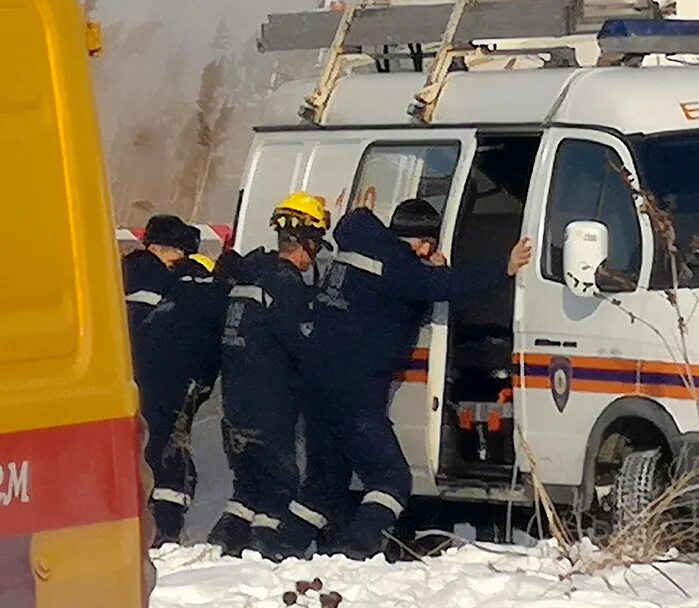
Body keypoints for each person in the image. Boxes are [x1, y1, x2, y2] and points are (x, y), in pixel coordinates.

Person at [279, 200, 530, 560]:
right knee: (391, 479)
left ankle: (277, 547)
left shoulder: (359, 238)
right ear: (421, 242)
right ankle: (358, 549)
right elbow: (448, 285)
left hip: (314, 380)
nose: (430, 251)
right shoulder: (401, 268)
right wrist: (503, 267)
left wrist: (362, 211)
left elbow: (361, 232)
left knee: (323, 484)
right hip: (353, 388)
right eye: (428, 244)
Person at [209, 192, 330, 558]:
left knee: (247, 484)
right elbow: (301, 339)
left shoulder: (251, 275)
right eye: (318, 244)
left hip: (235, 399)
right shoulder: (285, 284)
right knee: (280, 484)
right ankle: (265, 547)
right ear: (308, 241)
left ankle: (225, 539)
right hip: (270, 400)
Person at [131, 225, 232, 545]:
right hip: (164, 379)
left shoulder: (122, 272)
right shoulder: (165, 282)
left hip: (128, 378)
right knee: (166, 450)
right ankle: (166, 525)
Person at [123, 212, 195, 328]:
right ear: (154, 248)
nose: (182, 256)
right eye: (177, 250)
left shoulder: (125, 268)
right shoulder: (156, 277)